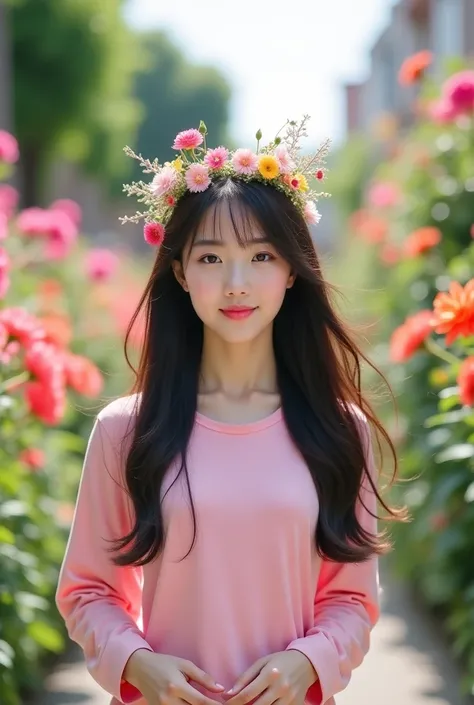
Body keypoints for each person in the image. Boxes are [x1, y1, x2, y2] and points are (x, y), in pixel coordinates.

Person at [55, 117, 403, 705]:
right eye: (212, 259)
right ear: (180, 272)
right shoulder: (124, 430)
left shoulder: (341, 430)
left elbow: (351, 599)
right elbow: (88, 591)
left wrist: (307, 662)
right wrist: (138, 664)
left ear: (292, 270)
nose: (237, 284)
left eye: (262, 256)